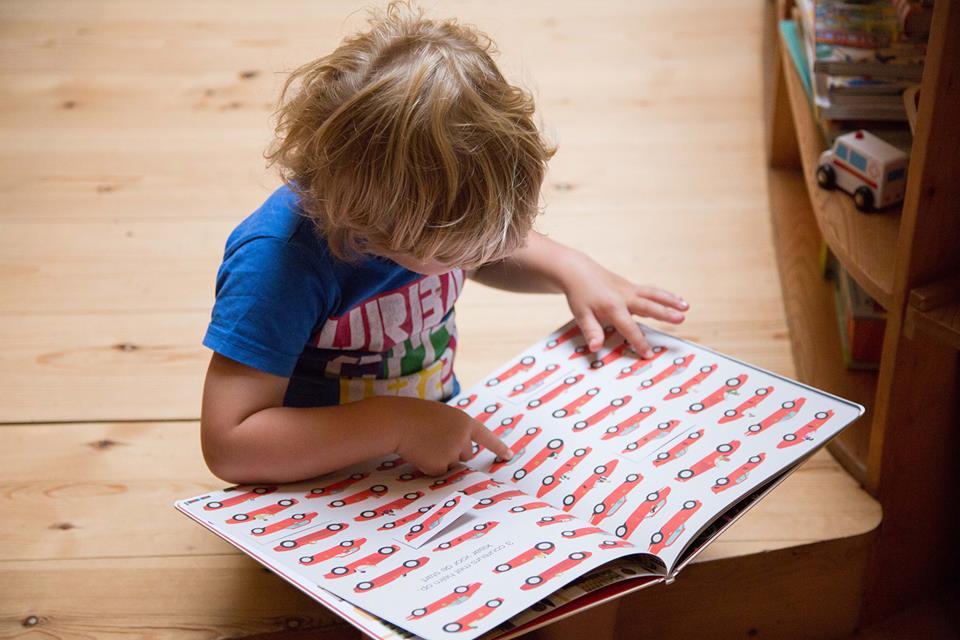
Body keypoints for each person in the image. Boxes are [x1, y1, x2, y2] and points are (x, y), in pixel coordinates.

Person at [199, 1, 688, 488]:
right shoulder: (280, 262)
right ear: (379, 226)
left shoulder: (416, 226)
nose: (486, 257)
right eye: (463, 253)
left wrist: (569, 267)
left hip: (419, 457)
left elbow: (476, 244)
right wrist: (396, 425)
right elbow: (230, 443)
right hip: (311, 486)